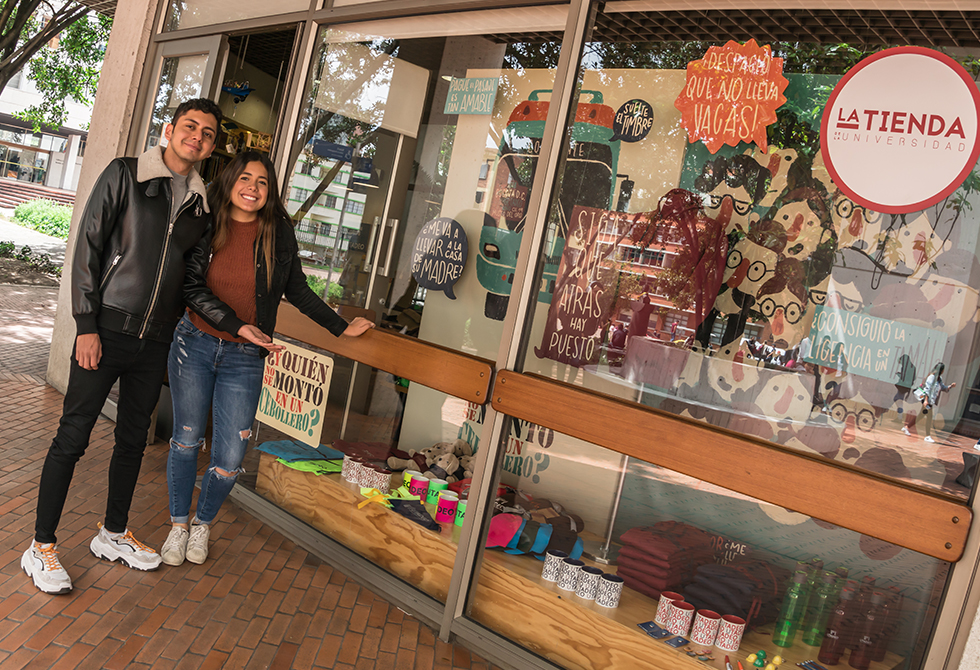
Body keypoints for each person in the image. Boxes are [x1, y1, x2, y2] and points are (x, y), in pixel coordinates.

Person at [21, 99, 275, 595]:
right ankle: (41, 545)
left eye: (207, 133)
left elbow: (193, 282)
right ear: (169, 129)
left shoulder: (202, 206)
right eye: (190, 127)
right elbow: (88, 248)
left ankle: (112, 534)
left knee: (133, 441)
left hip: (156, 339)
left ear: (211, 146)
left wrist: (237, 325)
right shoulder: (126, 174)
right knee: (73, 436)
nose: (197, 137)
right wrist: (85, 324)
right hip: (105, 330)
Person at [159, 151, 374, 567]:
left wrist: (340, 326)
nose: (252, 187)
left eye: (261, 181)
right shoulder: (206, 221)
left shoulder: (278, 231)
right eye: (245, 178)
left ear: (270, 191)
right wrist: (238, 325)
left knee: (230, 458)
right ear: (230, 181)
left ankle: (203, 523)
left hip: (245, 357)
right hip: (194, 344)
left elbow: (298, 289)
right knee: (186, 440)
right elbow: (190, 287)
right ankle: (178, 525)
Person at [904, 362, 956, 443]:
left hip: (931, 401)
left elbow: (943, 388)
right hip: (927, 400)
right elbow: (927, 389)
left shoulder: (939, 378)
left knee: (921, 416)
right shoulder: (931, 377)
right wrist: (926, 401)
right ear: (941, 370)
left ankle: (907, 427)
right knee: (929, 418)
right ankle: (927, 436)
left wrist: (950, 386)